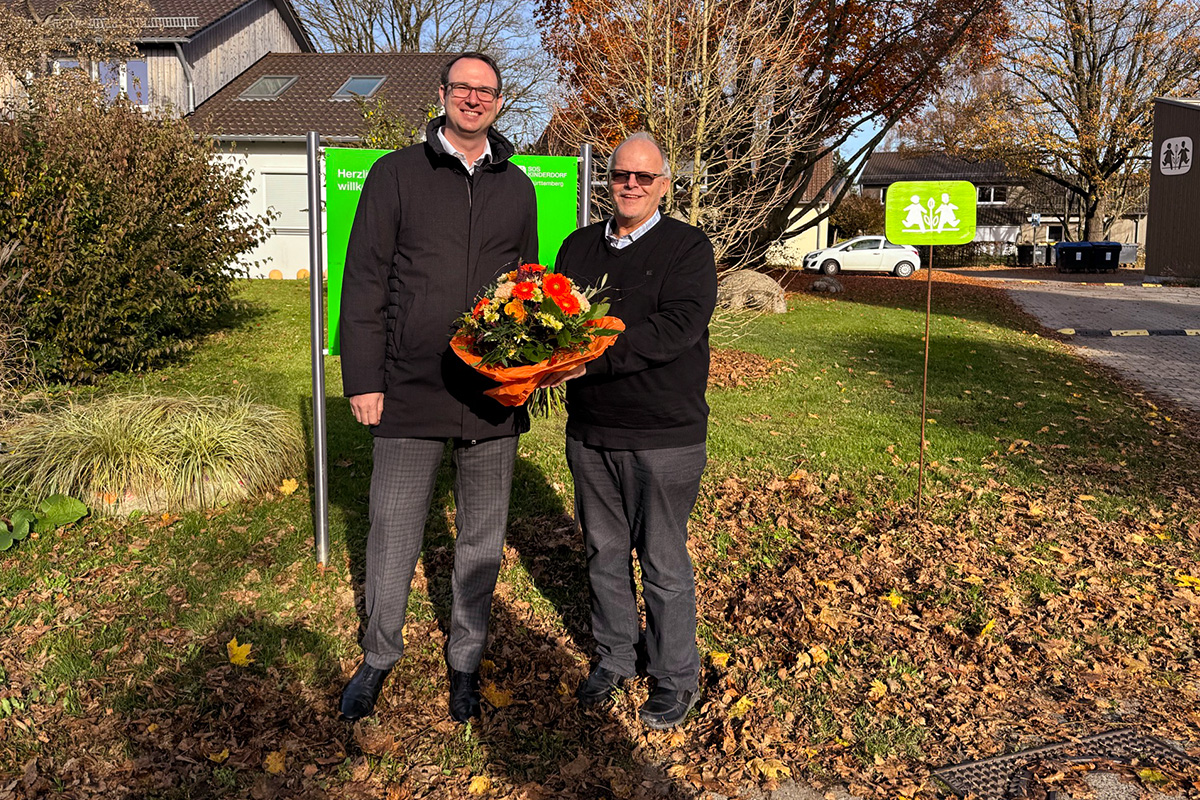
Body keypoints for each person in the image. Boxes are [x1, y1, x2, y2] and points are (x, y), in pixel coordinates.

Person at [337, 51, 537, 723]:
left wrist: (528, 371)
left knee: (481, 538)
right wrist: (364, 378)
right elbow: (364, 280)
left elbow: (528, 290)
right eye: (463, 88)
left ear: (500, 103)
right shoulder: (396, 174)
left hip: (489, 394)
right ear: (444, 95)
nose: (473, 99)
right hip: (410, 386)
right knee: (394, 528)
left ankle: (465, 663)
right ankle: (378, 656)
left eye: (486, 91)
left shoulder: (518, 185)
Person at [549, 132, 717, 729]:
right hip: (591, 430)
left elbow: (674, 329)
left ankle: (675, 677)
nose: (632, 185)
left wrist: (594, 355)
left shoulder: (687, 249)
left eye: (645, 177)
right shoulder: (576, 247)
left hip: (663, 436)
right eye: (622, 175)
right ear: (608, 180)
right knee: (603, 551)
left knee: (663, 561)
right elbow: (557, 318)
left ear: (664, 185)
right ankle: (616, 657)